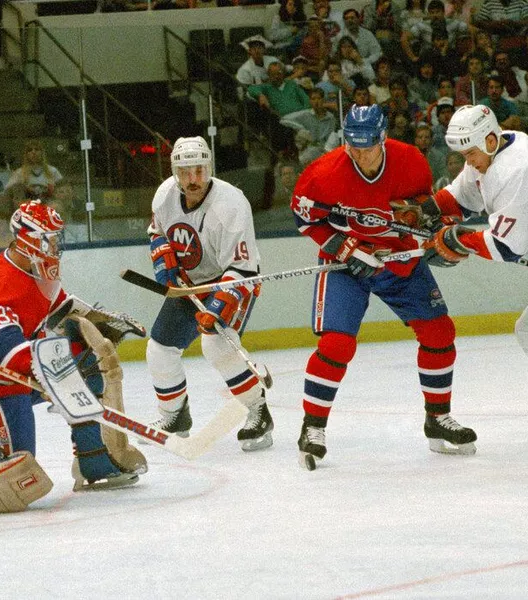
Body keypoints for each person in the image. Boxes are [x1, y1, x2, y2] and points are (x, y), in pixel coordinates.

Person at [290, 104, 477, 470]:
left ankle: (437, 418)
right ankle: (313, 427)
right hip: (345, 263)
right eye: (353, 146)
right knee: (336, 344)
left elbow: (423, 211)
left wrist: (438, 235)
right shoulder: (322, 174)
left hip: (398, 259)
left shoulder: (410, 160)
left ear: (383, 138)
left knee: (439, 333)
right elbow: (305, 220)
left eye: (368, 146)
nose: (360, 155)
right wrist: (348, 249)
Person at [0, 199, 145, 490]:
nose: (55, 246)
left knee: (87, 360)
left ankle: (92, 459)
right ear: (27, 241)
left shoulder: (37, 269)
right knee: (15, 476)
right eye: (49, 239)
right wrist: (48, 373)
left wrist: (100, 324)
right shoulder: (7, 280)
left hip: (12, 378)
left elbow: (61, 309)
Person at [143, 136, 274, 452]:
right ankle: (175, 417)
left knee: (216, 345)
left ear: (209, 168)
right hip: (190, 282)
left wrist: (217, 306)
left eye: (199, 171)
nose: (193, 180)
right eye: (185, 172)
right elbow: (156, 232)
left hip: (233, 281)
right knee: (159, 348)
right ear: (175, 171)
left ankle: (259, 412)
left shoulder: (231, 204)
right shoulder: (164, 195)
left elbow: (242, 268)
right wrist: (164, 255)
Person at [421, 104, 528, 269]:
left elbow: (507, 246)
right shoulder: (497, 144)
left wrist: (457, 241)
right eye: (464, 155)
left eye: (470, 153)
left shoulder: (519, 169)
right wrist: (422, 211)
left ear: (490, 141)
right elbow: (461, 197)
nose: (468, 162)